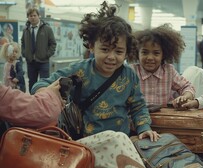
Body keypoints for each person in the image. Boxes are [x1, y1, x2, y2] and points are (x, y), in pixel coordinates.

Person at [31, 2, 159, 142]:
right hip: (86, 142)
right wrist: (46, 92)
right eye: (105, 49)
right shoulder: (79, 70)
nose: (111, 56)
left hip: (120, 141)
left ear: (127, 52)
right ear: (91, 46)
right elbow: (42, 84)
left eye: (119, 51)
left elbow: (138, 106)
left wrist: (145, 128)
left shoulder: (129, 75)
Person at [129, 24, 195, 106]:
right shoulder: (131, 72)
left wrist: (185, 97)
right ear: (136, 53)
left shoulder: (169, 71)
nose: (150, 57)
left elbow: (187, 87)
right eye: (145, 52)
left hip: (164, 117)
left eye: (156, 53)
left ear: (164, 55)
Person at [21, 7, 56, 92]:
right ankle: (33, 102)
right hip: (31, 62)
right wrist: (25, 53)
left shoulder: (47, 29)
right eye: (30, 16)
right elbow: (23, 42)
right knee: (32, 83)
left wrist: (47, 55)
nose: (32, 17)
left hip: (43, 62)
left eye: (34, 15)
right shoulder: (26, 30)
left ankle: (43, 103)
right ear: (28, 17)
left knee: (44, 84)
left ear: (38, 16)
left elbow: (53, 43)